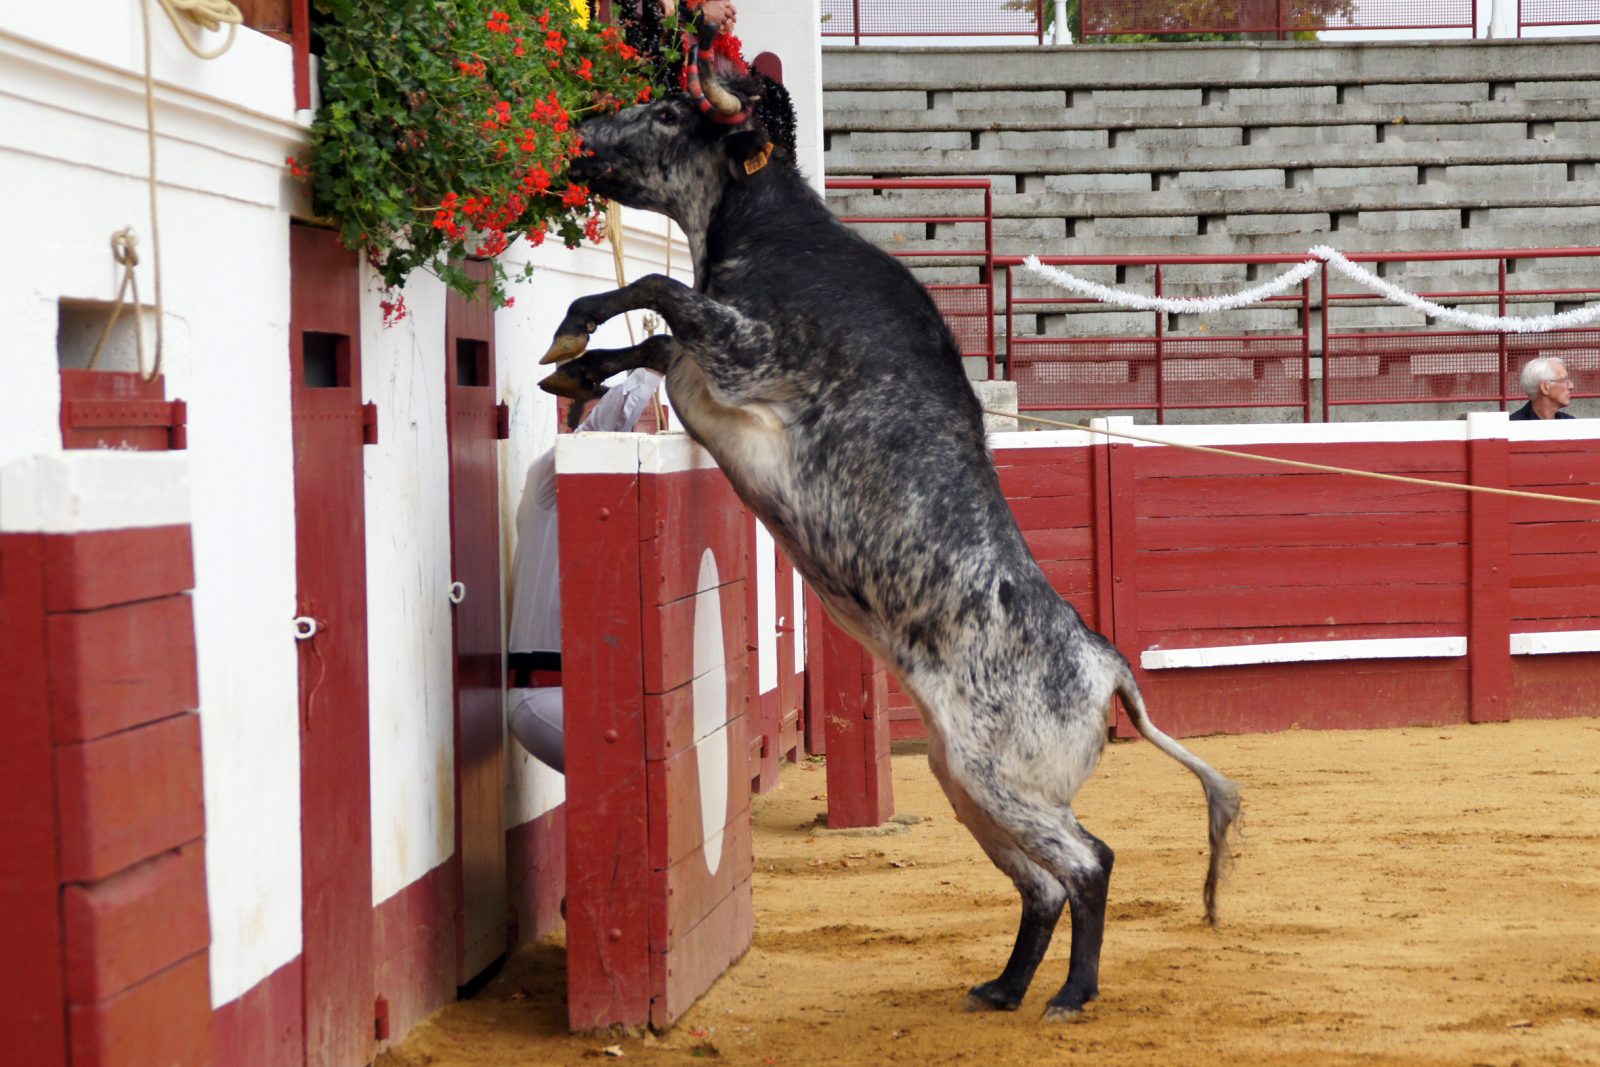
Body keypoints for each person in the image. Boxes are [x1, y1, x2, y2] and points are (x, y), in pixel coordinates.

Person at [506, 368, 664, 772]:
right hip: (544, 692)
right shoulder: (550, 478)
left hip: (590, 691)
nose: (611, 436)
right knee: (638, 771)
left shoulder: (623, 503)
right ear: (569, 427)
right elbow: (601, 429)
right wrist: (650, 366)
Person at [1510, 356, 1578, 420]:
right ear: (1545, 387)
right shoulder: (1512, 427)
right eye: (1563, 380)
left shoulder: (1571, 424)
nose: (1571, 386)